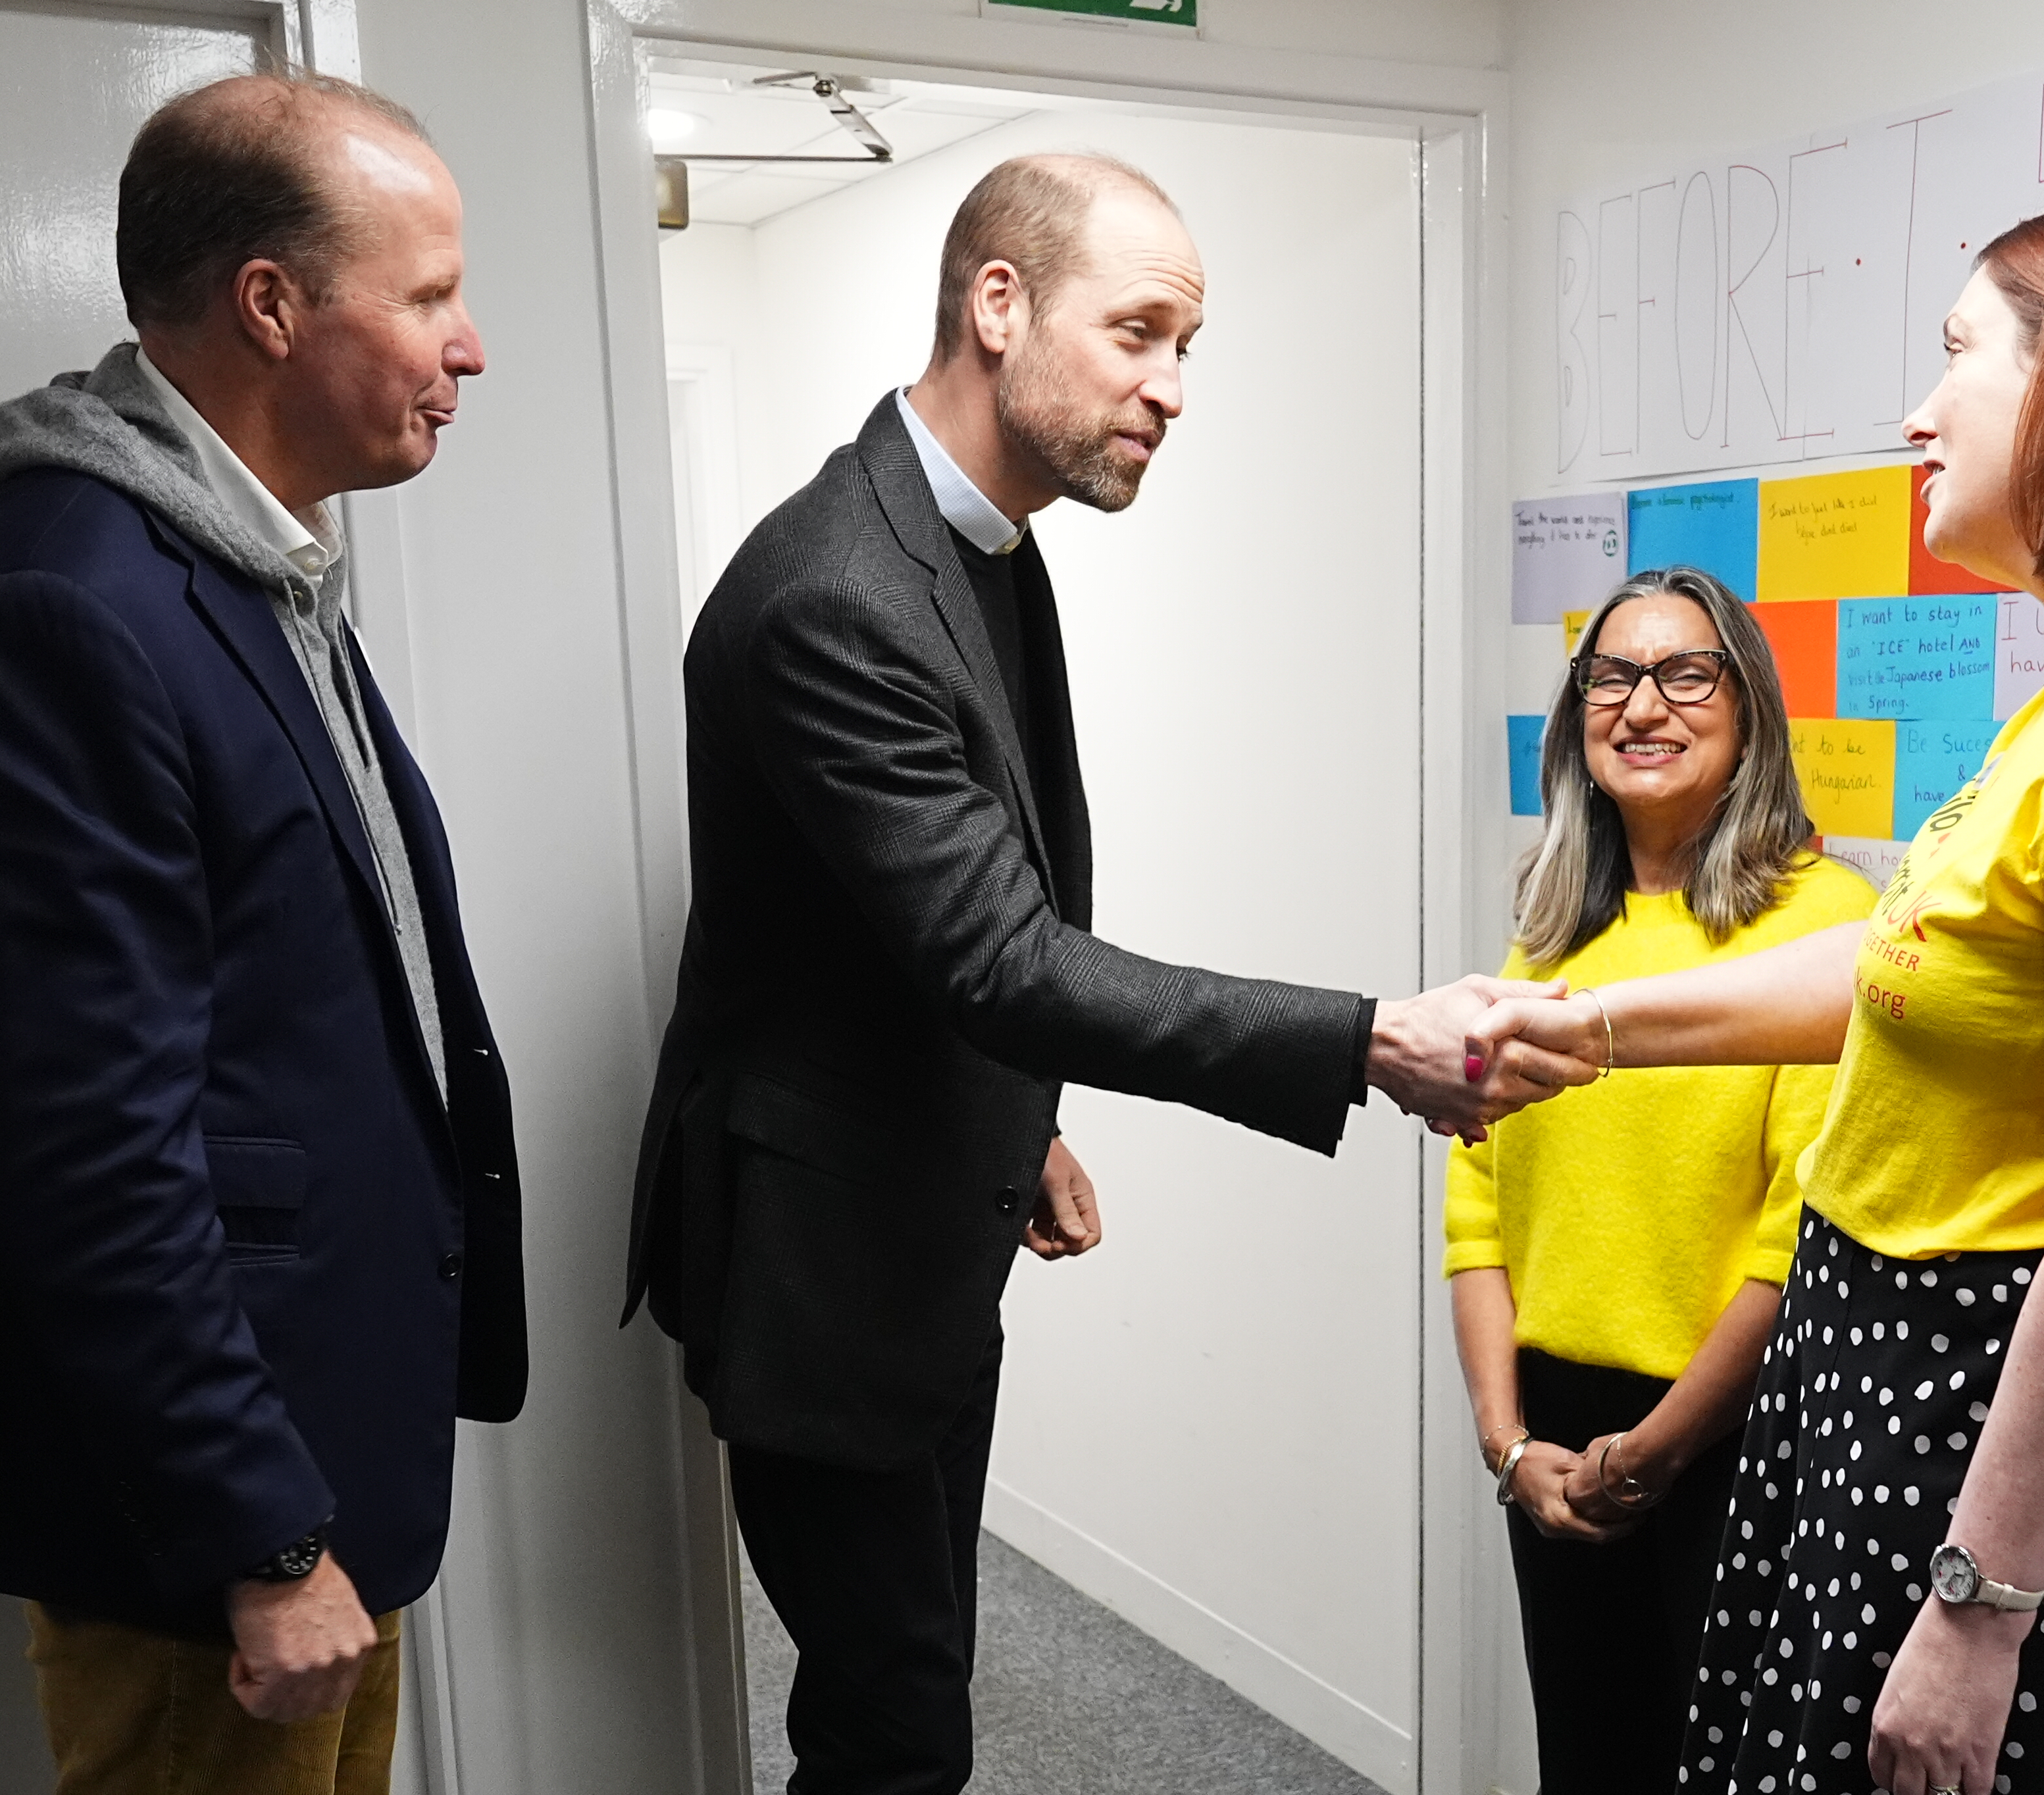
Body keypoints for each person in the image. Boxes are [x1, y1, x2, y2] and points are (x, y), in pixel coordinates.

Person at [622, 153, 1523, 1795]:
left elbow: (918, 915)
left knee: (912, 1699)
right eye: (1139, 333)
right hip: (820, 1265)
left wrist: (1015, 1120)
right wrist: (1368, 1037)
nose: (1171, 387)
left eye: (1187, 346)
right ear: (998, 303)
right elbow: (997, 952)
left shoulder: (980, 540)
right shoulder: (835, 591)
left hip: (921, 1209)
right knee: (891, 1734)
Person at [1464, 190, 2044, 1795]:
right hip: (1910, 1390)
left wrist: (1978, 1605)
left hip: (2009, 1429)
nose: (1916, 411)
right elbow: (1908, 966)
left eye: (1958, 355)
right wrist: (1579, 1026)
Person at [0, 72, 516, 1795]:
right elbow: (82, 1139)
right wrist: (259, 1532)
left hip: (314, 1454)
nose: (468, 349)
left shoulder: (244, 563)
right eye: (430, 296)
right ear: (270, 304)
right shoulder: (62, 602)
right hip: (211, 1523)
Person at [1446, 566, 1874, 1794]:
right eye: (1613, 677)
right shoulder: (1550, 929)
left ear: (1749, 711)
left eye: (1687, 675)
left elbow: (1800, 1242)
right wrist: (1508, 1443)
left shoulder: (1827, 926)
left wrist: (1652, 1454)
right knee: (1585, 1762)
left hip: (1734, 1434)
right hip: (1552, 1426)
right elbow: (1478, 1206)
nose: (1643, 707)